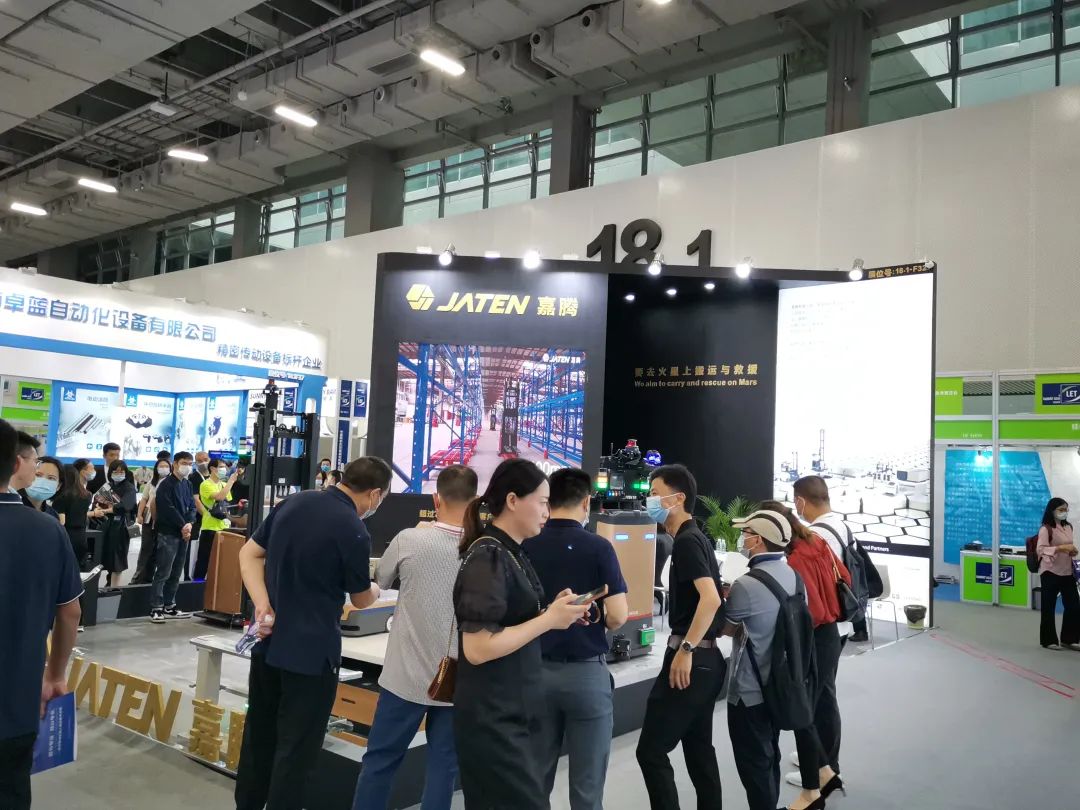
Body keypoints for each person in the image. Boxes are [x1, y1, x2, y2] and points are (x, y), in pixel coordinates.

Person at [235, 456, 388, 810]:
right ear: (374, 494)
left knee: (259, 737)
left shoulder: (294, 502)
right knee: (297, 749)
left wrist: (262, 603)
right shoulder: (353, 529)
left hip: (269, 642)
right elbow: (361, 598)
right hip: (312, 654)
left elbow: (249, 554)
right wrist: (377, 589)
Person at [452, 459, 592, 809]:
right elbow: (478, 648)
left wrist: (555, 613)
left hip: (514, 709)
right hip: (492, 718)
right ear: (513, 500)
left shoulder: (510, 552)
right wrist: (547, 620)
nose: (547, 512)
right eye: (542, 502)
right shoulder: (488, 556)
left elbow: (512, 623)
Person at [352, 464, 478, 810]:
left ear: (436, 499)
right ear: (475, 502)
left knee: (380, 761)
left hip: (403, 677)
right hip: (458, 678)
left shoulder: (409, 539)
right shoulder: (483, 548)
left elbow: (379, 580)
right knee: (443, 769)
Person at [523, 468, 629, 810]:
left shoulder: (526, 543)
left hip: (532, 671)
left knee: (532, 782)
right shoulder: (599, 547)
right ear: (586, 502)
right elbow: (618, 615)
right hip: (586, 675)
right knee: (587, 787)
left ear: (548, 500)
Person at [0, 418, 82, 809]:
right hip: (16, 705)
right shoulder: (48, 531)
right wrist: (55, 674)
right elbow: (70, 613)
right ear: (17, 464)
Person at [636, 464, 725, 810]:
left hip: (692, 660)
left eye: (655, 494)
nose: (650, 500)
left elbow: (711, 599)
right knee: (699, 748)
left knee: (651, 751)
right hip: (708, 661)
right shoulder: (693, 538)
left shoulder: (687, 542)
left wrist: (686, 649)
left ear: (678, 498)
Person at [762, 500, 849, 809]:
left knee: (802, 711)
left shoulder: (795, 559)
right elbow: (845, 577)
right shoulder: (816, 542)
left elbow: (805, 609)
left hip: (811, 639)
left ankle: (812, 790)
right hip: (831, 634)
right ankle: (825, 771)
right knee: (817, 703)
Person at [723, 510, 801, 810]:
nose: (743, 539)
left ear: (758, 540)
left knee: (753, 764)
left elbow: (726, 627)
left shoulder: (746, 584)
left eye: (746, 534)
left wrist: (726, 599)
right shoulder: (794, 576)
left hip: (749, 690)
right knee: (770, 755)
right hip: (780, 685)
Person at [793, 475, 865, 643]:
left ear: (800, 501)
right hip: (844, 615)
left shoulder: (813, 536)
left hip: (824, 623)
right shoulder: (843, 527)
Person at [150, 451, 197, 623]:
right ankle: (156, 607)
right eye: (184, 463)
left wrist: (189, 523)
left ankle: (169, 605)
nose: (187, 466)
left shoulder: (187, 484)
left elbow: (192, 506)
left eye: (190, 464)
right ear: (175, 464)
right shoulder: (166, 484)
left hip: (184, 533)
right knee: (163, 571)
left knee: (177, 571)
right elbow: (166, 508)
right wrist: (182, 524)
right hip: (168, 532)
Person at [1036, 497, 1079, 650]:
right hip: (1050, 571)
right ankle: (1048, 640)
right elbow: (1040, 550)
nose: (1064, 512)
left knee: (1074, 605)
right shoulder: (1046, 529)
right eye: (1061, 510)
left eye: (1066, 509)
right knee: (1049, 606)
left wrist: (1072, 550)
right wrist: (1060, 548)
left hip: (1067, 571)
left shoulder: (1068, 527)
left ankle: (1069, 638)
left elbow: (1068, 546)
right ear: (1052, 511)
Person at [194, 458, 239, 581]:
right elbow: (219, 497)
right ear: (213, 469)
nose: (224, 470)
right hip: (210, 527)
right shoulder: (206, 484)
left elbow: (227, 504)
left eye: (225, 467)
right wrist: (231, 481)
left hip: (224, 527)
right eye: (221, 467)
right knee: (204, 559)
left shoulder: (223, 485)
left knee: (221, 559)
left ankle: (216, 584)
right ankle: (198, 583)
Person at [97, 459, 138, 588]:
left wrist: (109, 509)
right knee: (103, 555)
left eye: (121, 471)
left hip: (121, 526)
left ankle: (114, 588)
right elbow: (97, 502)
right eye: (115, 471)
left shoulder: (129, 487)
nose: (119, 474)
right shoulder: (107, 486)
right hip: (106, 524)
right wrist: (101, 508)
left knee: (117, 558)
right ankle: (105, 584)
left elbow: (126, 505)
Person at [131, 458, 171, 584]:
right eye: (161, 466)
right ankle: (139, 578)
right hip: (148, 518)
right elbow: (144, 499)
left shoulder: (172, 482)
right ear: (156, 468)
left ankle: (153, 579)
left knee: (159, 550)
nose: (163, 468)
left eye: (166, 466)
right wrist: (139, 515)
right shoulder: (151, 482)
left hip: (164, 519)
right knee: (146, 548)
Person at [54, 463, 94, 570]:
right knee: (78, 568)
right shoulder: (87, 495)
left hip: (67, 536)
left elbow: (62, 521)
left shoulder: (62, 497)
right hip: (81, 536)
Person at [19, 455, 62, 520]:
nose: (43, 481)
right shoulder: (14, 509)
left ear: (59, 486)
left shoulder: (53, 515)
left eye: (51, 478)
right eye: (38, 475)